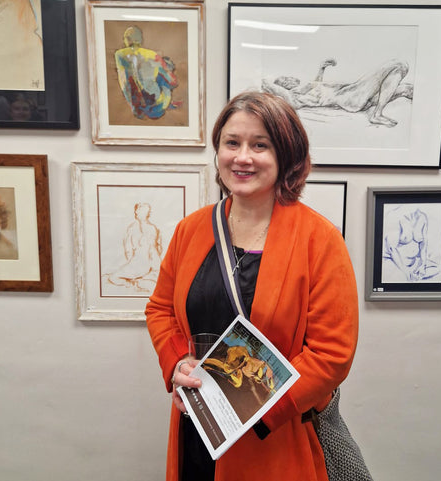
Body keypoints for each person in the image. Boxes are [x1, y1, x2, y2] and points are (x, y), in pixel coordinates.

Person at [145, 91, 359, 481]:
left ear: (286, 155)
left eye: (260, 145)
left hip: (275, 432)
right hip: (199, 425)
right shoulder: (190, 230)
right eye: (232, 143)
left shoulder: (319, 239)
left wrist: (251, 408)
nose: (242, 157)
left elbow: (333, 353)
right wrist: (177, 362)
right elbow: (159, 309)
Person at [262, 57, 413, 127]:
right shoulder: (293, 97)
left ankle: (382, 107)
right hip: (349, 98)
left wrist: (322, 68)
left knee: (406, 88)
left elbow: (316, 84)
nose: (290, 78)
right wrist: (270, 84)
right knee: (399, 65)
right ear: (283, 87)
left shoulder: (305, 90)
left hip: (352, 94)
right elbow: (268, 84)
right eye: (285, 79)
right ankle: (377, 114)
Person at [115, 26, 179, 120]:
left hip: (140, 108)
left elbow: (124, 82)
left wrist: (134, 108)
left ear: (127, 39)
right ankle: (167, 102)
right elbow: (172, 81)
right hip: (158, 107)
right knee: (162, 75)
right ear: (140, 40)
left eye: (124, 38)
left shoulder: (120, 55)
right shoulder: (153, 55)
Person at [105, 202, 163, 292]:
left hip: (142, 263)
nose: (137, 213)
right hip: (142, 262)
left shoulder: (147, 228)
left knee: (114, 278)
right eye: (138, 211)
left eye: (141, 211)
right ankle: (139, 281)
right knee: (114, 277)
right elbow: (157, 249)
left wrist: (133, 261)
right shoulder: (137, 228)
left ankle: (137, 282)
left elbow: (154, 250)